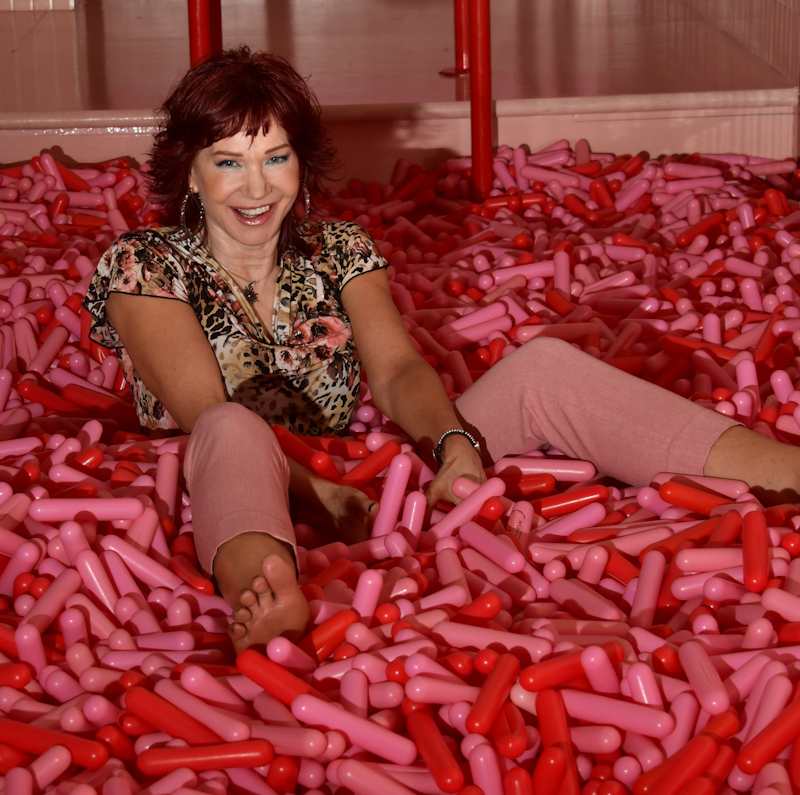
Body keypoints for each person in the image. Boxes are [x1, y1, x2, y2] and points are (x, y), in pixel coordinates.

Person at [85, 46, 800, 652]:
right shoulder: (144, 264)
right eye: (228, 162)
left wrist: (452, 446)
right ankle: (266, 594)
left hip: (365, 476)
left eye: (275, 157)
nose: (256, 187)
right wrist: (323, 493)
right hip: (231, 482)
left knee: (542, 367)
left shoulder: (341, 249)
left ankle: (782, 472)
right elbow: (202, 409)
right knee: (229, 425)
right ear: (190, 171)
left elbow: (398, 370)